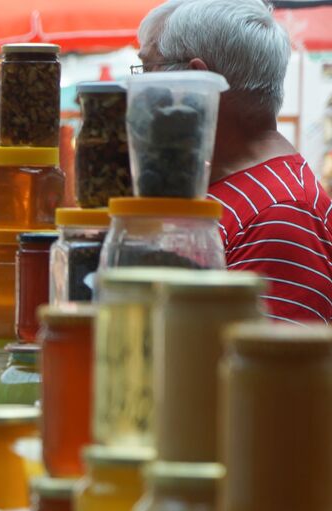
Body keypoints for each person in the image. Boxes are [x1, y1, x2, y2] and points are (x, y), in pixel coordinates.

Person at [139, 0, 332, 322]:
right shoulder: (231, 191)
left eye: (146, 70)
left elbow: (273, 367)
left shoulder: (279, 214)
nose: (137, 93)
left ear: (196, 83)